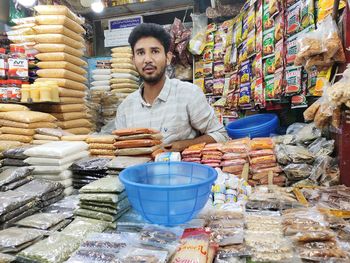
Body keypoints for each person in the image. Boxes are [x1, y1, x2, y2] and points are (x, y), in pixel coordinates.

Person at [115, 23, 229, 152]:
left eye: (155, 51)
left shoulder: (188, 94)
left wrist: (183, 145)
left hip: (181, 171)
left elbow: (221, 135)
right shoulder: (125, 108)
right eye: (141, 53)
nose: (147, 59)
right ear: (133, 60)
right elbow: (120, 150)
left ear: (168, 58)